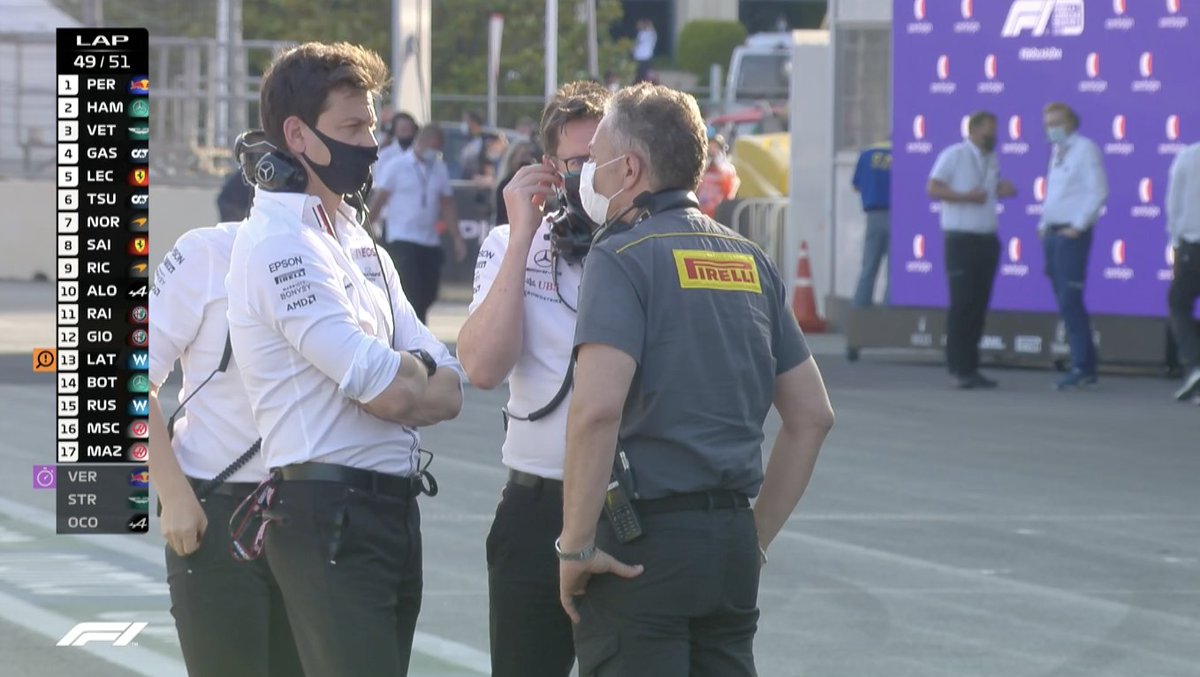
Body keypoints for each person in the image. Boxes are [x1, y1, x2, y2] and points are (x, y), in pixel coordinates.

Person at [556, 83, 835, 676]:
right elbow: (812, 415)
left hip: (643, 542)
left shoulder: (622, 255)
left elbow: (598, 410)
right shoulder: (748, 258)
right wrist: (754, 536)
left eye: (594, 161)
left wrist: (576, 544)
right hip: (729, 538)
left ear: (629, 168)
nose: (589, 177)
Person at [224, 41, 465, 677]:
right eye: (353, 127)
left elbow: (451, 383)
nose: (371, 143)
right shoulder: (280, 243)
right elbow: (390, 392)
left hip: (390, 511)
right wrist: (409, 374)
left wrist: (409, 373)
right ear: (298, 135)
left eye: (372, 125)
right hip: (326, 516)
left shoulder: (360, 243)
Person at [458, 80, 610, 677]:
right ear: (550, 168)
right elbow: (483, 367)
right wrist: (523, 233)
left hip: (625, 510)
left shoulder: (646, 249)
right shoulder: (509, 245)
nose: (594, 176)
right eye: (579, 163)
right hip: (535, 502)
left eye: (607, 161)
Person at [148, 157, 303, 677]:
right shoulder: (206, 253)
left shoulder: (349, 257)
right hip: (217, 511)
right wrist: (174, 496)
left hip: (316, 514)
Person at [927, 111, 1017, 389]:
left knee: (979, 306)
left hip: (986, 238)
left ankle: (971, 367)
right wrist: (965, 197)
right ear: (974, 130)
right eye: (988, 130)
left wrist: (1002, 190)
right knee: (962, 304)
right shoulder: (954, 154)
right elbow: (933, 188)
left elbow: (989, 190)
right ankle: (957, 367)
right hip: (960, 239)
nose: (993, 136)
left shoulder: (991, 159)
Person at [1038, 103, 1108, 390]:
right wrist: (1043, 225)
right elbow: (1055, 193)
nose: (1052, 128)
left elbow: (1098, 190)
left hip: (1071, 236)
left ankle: (1082, 365)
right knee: (1064, 301)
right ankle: (1086, 364)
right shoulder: (1057, 152)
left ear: (1071, 122)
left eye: (1057, 122)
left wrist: (1078, 226)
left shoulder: (1085, 149)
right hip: (1053, 234)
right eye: (1048, 123)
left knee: (1070, 299)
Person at [370, 124, 467, 323]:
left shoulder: (439, 169)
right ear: (422, 142)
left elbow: (447, 204)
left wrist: (457, 238)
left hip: (429, 240)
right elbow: (379, 201)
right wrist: (366, 230)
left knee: (428, 292)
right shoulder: (396, 166)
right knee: (411, 292)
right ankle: (415, 334)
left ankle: (417, 327)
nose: (436, 152)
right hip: (401, 238)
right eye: (434, 147)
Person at [1166, 140, 1200, 402]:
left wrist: (1176, 241)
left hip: (1192, 245)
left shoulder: (1188, 156)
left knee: (1179, 304)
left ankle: (1194, 365)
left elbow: (1173, 203)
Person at [851, 139, 892, 307]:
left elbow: (856, 185)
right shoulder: (903, 154)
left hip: (873, 215)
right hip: (899, 217)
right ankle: (889, 310)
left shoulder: (867, 153)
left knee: (868, 266)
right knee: (893, 271)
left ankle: (860, 308)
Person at [493, 139, 540, 227]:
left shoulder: (538, 183)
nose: (527, 159)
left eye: (530, 155)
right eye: (523, 155)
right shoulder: (505, 184)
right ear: (512, 159)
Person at [696, 132, 740, 218]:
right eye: (710, 147)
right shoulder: (704, 167)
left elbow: (730, 188)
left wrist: (719, 165)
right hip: (702, 210)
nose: (712, 150)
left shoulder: (727, 168)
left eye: (715, 147)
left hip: (720, 211)